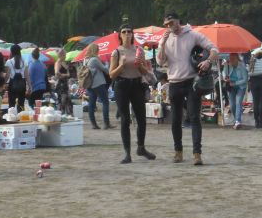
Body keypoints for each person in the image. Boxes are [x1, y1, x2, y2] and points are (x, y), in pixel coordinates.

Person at [158, 13, 218, 164]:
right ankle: (178, 152)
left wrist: (208, 62)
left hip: (191, 82)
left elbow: (214, 49)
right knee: (175, 120)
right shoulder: (165, 39)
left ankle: (197, 154)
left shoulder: (193, 35)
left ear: (178, 21)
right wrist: (163, 43)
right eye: (166, 24)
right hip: (174, 82)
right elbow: (160, 62)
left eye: (171, 22)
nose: (169, 26)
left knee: (194, 117)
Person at [111, 24, 156, 164]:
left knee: (141, 118)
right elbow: (111, 75)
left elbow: (145, 71)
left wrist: (140, 65)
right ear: (120, 35)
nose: (127, 34)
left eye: (129, 32)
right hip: (122, 85)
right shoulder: (116, 52)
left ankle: (141, 148)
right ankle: (127, 153)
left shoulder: (138, 50)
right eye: (124, 32)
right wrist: (121, 65)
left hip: (136, 84)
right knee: (125, 119)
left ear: (132, 34)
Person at [84, 43, 113, 130]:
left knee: (91, 104)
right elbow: (106, 70)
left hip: (90, 85)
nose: (98, 51)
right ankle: (106, 123)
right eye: (97, 49)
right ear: (95, 50)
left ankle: (94, 124)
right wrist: (107, 63)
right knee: (105, 102)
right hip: (99, 84)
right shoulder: (95, 59)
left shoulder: (85, 60)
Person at [222, 53, 248, 130]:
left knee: (238, 102)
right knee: (232, 104)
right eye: (230, 59)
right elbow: (224, 73)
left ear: (237, 59)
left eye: (233, 59)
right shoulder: (228, 65)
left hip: (241, 86)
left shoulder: (242, 66)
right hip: (231, 87)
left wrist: (235, 83)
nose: (231, 60)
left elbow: (245, 79)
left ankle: (237, 121)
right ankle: (236, 119)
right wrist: (225, 76)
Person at [247, 48, 262, 129]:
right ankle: (261, 122)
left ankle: (256, 122)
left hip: (253, 82)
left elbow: (249, 71)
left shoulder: (253, 61)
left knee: (255, 102)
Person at [4, 44, 27, 111]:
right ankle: (21, 114)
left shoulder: (9, 62)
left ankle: (11, 115)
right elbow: (27, 75)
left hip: (12, 83)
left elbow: (7, 75)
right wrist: (30, 86)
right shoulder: (24, 61)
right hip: (22, 83)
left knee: (11, 103)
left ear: (11, 52)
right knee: (21, 103)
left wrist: (4, 83)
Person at [54, 49, 73, 116]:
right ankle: (61, 114)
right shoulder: (58, 63)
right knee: (63, 101)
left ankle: (68, 115)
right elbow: (57, 73)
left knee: (68, 101)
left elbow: (68, 73)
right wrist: (65, 75)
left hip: (65, 84)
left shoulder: (63, 62)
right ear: (61, 55)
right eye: (65, 55)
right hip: (61, 84)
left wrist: (67, 74)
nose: (65, 56)